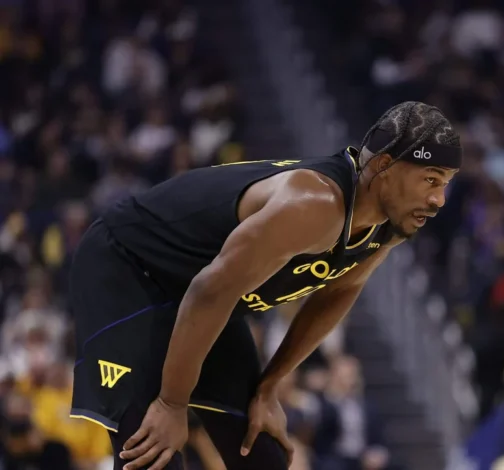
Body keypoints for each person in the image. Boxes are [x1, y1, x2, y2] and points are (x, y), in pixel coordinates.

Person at [67, 101, 461, 470]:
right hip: (130, 267)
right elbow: (208, 292)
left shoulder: (387, 226)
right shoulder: (315, 204)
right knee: (151, 455)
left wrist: (269, 387)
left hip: (205, 296)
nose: (439, 199)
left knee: (262, 456)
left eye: (445, 183)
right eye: (431, 179)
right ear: (385, 167)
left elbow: (337, 293)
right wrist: (172, 403)